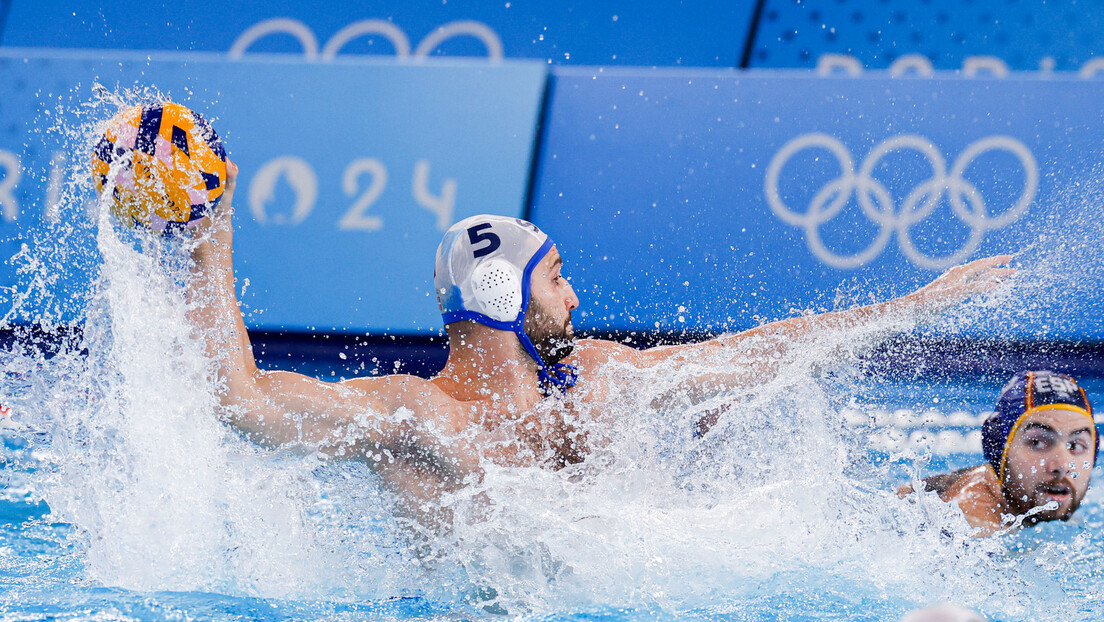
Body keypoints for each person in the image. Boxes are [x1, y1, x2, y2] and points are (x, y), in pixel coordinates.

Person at [188, 161, 1013, 524]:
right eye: (556, 278)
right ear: (502, 295)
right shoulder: (415, 416)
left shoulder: (600, 379)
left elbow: (767, 350)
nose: (575, 296)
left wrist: (914, 305)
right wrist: (208, 237)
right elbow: (243, 401)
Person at [898, 370, 1096, 536]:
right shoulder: (972, 526)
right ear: (999, 450)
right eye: (1037, 442)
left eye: (1076, 446)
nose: (1062, 466)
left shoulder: (1004, 492)